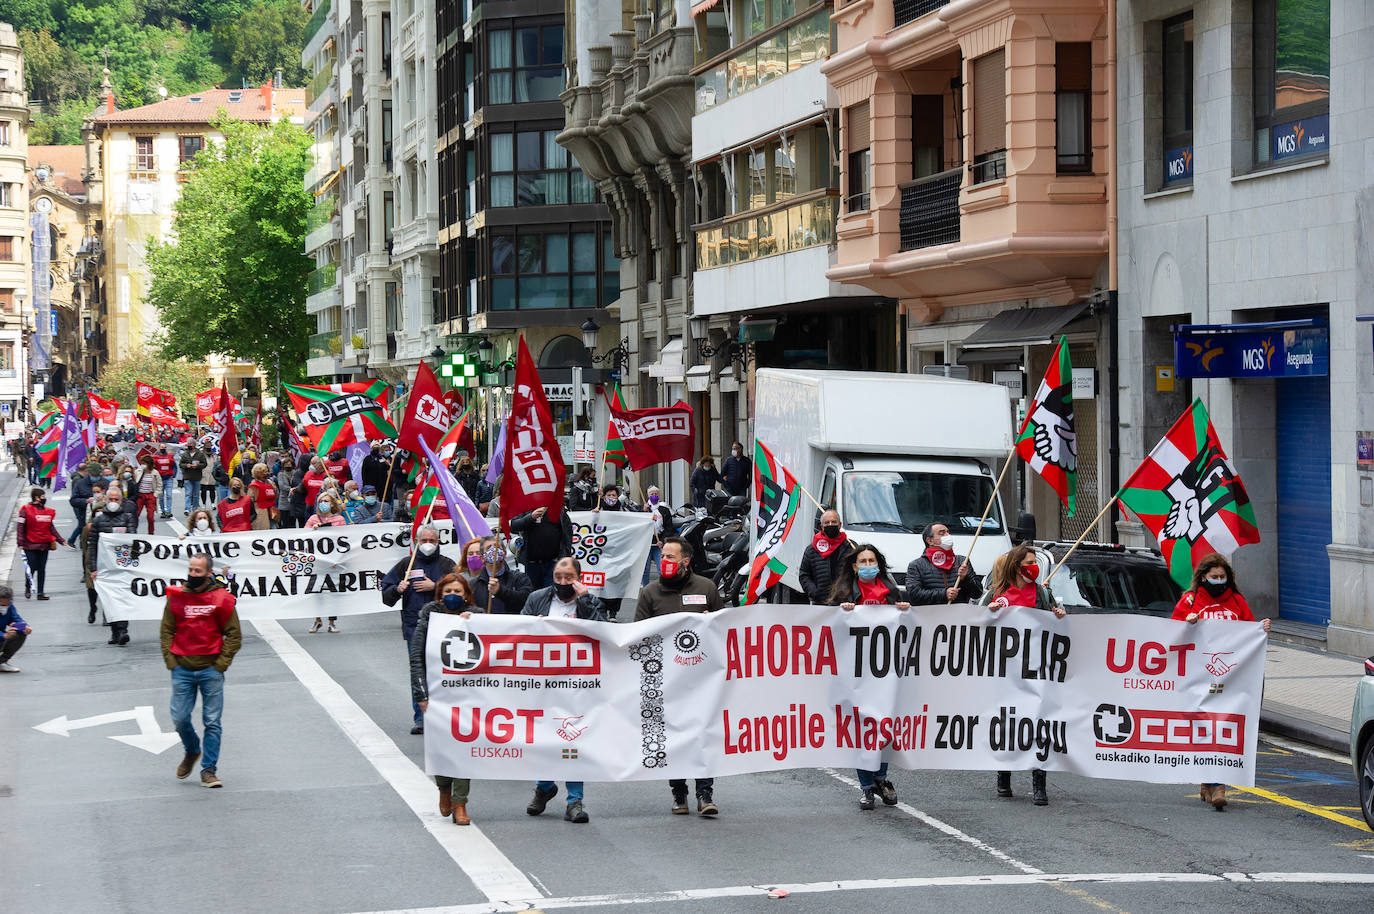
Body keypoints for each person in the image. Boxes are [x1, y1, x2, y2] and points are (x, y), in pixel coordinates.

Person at [1172, 553, 1270, 811]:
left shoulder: (1237, 601)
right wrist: (1187, 623)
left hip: (1230, 680)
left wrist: (1262, 629)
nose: (1218, 581)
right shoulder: (1190, 601)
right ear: (1202, 577)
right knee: (1206, 728)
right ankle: (1212, 783)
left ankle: (1215, 784)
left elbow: (1250, 631)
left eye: (1222, 577)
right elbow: (1171, 634)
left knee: (1223, 727)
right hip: (1199, 680)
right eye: (1213, 577)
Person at [635, 537, 724, 815]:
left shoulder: (706, 588)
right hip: (666, 681)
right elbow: (637, 634)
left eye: (671, 557)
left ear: (686, 561)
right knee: (672, 738)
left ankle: (705, 793)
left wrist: (712, 621)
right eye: (663, 556)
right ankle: (679, 793)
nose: (665, 562)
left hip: (701, 679)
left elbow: (724, 630)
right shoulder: (650, 592)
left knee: (703, 736)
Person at [515, 556, 607, 825]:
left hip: (577, 684)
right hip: (543, 683)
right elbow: (517, 631)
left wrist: (587, 600)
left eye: (569, 578)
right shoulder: (538, 598)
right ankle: (544, 787)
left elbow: (603, 631)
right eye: (559, 578)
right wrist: (534, 627)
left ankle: (574, 801)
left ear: (578, 577)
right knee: (545, 738)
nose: (563, 583)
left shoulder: (588, 599)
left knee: (572, 741)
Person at [981, 544, 1066, 806]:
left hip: (1037, 668)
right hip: (1006, 670)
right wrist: (990, 613)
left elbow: (1057, 622)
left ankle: (1039, 784)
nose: (1034, 566)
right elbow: (977, 622)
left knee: (1038, 722)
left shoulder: (1042, 593)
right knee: (1007, 722)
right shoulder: (998, 593)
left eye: (1034, 561)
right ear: (1017, 567)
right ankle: (1003, 776)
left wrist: (1059, 615)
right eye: (1029, 562)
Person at [828, 543, 911, 810]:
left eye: (871, 560)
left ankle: (881, 778)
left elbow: (905, 629)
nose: (867, 566)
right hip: (854, 674)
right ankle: (866, 787)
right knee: (861, 730)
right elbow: (829, 625)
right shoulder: (843, 591)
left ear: (879, 564)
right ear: (854, 566)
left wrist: (905, 610)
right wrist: (843, 611)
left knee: (884, 727)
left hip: (884, 675)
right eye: (862, 561)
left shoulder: (890, 591)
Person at [161, 554, 241, 789]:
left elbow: (234, 635)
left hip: (210, 670)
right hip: (182, 669)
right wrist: (171, 661)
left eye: (198, 571)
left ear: (208, 573)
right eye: (191, 570)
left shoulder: (221, 599)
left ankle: (209, 770)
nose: (193, 574)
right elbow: (166, 630)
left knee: (212, 722)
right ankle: (192, 750)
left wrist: (220, 665)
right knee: (179, 719)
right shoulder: (176, 597)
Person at [409, 573, 479, 825]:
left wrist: (476, 624)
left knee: (463, 749)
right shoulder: (429, 619)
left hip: (467, 695)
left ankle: (460, 803)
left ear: (466, 595)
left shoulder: (477, 615)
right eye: (448, 590)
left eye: (458, 591)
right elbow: (416, 657)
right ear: (440, 594)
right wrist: (421, 694)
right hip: (437, 693)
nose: (453, 595)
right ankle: (444, 788)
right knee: (441, 747)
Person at [381, 526, 458, 733]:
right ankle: (421, 718)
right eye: (424, 540)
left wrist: (436, 587)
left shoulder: (447, 565)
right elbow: (386, 590)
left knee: (442, 672)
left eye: (431, 540)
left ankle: (442, 716)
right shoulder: (406, 565)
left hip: (443, 626)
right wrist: (397, 589)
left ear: (438, 542)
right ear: (416, 541)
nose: (427, 544)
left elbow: (461, 591)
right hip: (414, 626)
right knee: (418, 671)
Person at [88, 487, 136, 644]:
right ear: (106, 501)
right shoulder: (98, 520)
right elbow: (92, 545)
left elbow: (132, 540)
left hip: (122, 567)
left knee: (122, 599)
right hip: (105, 568)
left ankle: (123, 630)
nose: (113, 502)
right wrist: (93, 568)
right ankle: (115, 631)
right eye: (111, 499)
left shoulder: (128, 517)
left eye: (117, 499)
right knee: (109, 600)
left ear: (121, 501)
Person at [905, 522, 983, 605]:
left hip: (959, 615)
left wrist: (965, 578)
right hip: (929, 615)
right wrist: (943, 594)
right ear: (930, 541)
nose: (948, 536)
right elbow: (913, 595)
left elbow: (977, 593)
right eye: (942, 533)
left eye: (948, 532)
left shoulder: (962, 561)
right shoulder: (917, 565)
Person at [304, 495, 349, 633]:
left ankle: (332, 622)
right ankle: (317, 620)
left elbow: (345, 539)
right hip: (317, 561)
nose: (323, 503)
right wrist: (313, 530)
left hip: (334, 561)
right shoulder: (313, 519)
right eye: (321, 501)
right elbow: (302, 535)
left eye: (326, 501)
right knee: (316, 591)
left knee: (333, 591)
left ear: (332, 504)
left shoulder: (339, 520)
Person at [18, 487, 66, 600]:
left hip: (44, 544)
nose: (45, 499)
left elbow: (51, 527)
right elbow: (20, 527)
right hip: (30, 544)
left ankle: (40, 592)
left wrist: (60, 540)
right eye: (43, 497)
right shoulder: (25, 510)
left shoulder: (46, 511)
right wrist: (20, 542)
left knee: (41, 569)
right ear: (37, 497)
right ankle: (28, 587)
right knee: (32, 566)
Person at [798, 509, 855, 604]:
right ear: (822, 527)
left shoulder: (850, 546)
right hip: (821, 604)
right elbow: (804, 574)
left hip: (846, 604)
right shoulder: (812, 549)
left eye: (834, 522)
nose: (830, 525)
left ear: (840, 525)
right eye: (827, 522)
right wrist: (815, 592)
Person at [510, 504, 573, 589]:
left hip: (553, 564)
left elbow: (567, 535)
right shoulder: (525, 506)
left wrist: (563, 558)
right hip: (531, 564)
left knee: (550, 595)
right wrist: (530, 517)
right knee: (534, 595)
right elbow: (514, 526)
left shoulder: (558, 508)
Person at [470, 534, 533, 615]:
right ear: (482, 558)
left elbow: (527, 601)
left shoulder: (520, 578)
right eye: (489, 548)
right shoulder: (474, 584)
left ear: (504, 553)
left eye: (497, 547)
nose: (494, 550)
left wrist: (500, 591)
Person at [642, 485, 675, 586]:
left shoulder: (664, 510)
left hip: (659, 544)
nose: (654, 496)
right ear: (648, 496)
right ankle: (645, 589)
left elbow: (669, 528)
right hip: (646, 544)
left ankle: (664, 588)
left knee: (662, 568)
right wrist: (643, 512)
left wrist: (663, 540)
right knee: (645, 570)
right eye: (652, 494)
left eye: (656, 494)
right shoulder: (644, 509)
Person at [0, 585, 31, 673]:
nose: (4, 607)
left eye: (7, 604)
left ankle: (2, 662)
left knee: (21, 633)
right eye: (2, 604)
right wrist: (4, 635)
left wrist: (25, 627)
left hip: (2, 638)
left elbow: (15, 619)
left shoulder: (9, 607)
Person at [69, 462, 94, 545]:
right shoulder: (78, 480)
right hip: (80, 503)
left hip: (81, 502)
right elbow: (78, 493)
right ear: (86, 470)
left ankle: (79, 539)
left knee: (82, 523)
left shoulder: (79, 478)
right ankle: (72, 540)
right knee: (81, 524)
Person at [134, 455, 160, 534]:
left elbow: (159, 485)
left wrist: (155, 495)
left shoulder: (155, 473)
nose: (143, 465)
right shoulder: (138, 472)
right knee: (136, 514)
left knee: (150, 517)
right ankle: (133, 531)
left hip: (150, 495)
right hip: (140, 496)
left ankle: (151, 533)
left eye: (145, 463)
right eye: (142, 463)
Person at [179, 442, 208, 513]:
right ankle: (187, 508)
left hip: (197, 476)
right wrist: (186, 465)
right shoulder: (185, 454)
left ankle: (195, 508)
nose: (189, 446)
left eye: (191, 445)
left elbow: (204, 464)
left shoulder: (200, 454)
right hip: (187, 476)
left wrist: (197, 466)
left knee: (196, 494)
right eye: (188, 445)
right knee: (188, 493)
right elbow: (181, 464)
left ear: (194, 445)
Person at [153, 444, 179, 518]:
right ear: (159, 448)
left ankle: (168, 511)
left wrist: (173, 475)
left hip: (168, 479)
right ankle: (163, 511)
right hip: (159, 479)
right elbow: (152, 467)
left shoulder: (170, 456)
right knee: (161, 497)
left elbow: (174, 466)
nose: (163, 449)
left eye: (164, 448)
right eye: (162, 448)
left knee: (169, 495)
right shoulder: (155, 458)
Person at [275, 456, 297, 528]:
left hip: (293, 500)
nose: (288, 466)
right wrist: (290, 489)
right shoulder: (280, 474)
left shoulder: (295, 473)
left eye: (289, 464)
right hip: (284, 500)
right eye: (286, 464)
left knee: (292, 522)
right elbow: (281, 486)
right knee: (285, 521)